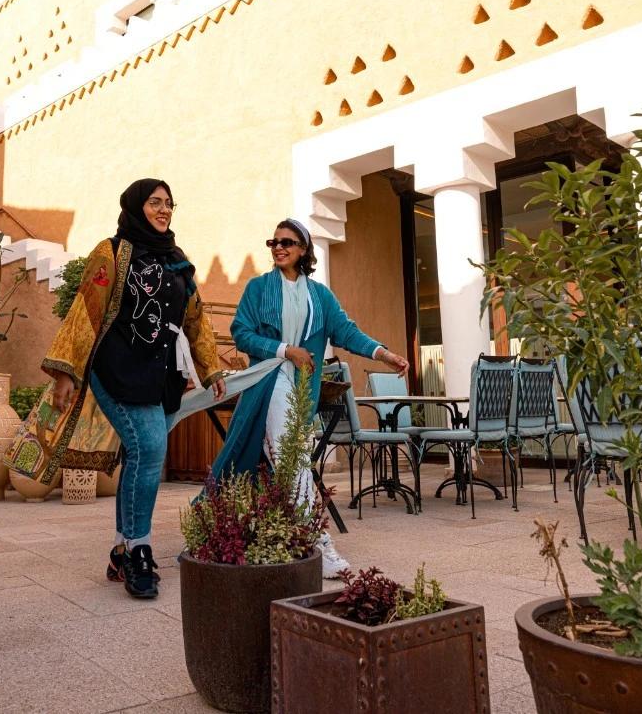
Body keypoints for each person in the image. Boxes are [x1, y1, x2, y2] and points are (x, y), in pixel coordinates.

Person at [39, 179, 226, 599]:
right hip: (118, 367)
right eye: (155, 203)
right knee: (151, 448)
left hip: (162, 375)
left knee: (141, 453)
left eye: (169, 204)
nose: (164, 210)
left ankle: (123, 551)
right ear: (136, 207)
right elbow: (86, 307)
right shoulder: (114, 251)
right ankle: (141, 549)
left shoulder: (178, 261)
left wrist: (211, 369)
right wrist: (66, 371)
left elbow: (195, 319)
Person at [210, 218, 408, 578]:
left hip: (303, 390)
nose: (279, 247)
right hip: (268, 384)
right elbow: (241, 333)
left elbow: (346, 331)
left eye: (287, 242)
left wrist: (382, 353)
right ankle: (318, 540)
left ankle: (285, 534)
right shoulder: (258, 288)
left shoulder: (320, 295)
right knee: (294, 455)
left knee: (289, 458)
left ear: (303, 249)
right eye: (273, 242)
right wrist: (287, 350)